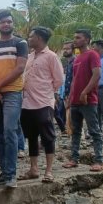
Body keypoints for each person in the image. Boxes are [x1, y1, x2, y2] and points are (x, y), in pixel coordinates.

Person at [0, 10, 28, 189]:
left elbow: (19, 68)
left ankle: (11, 175)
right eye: (3, 22)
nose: (6, 25)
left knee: (10, 131)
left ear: (12, 24)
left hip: (12, 93)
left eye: (9, 22)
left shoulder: (20, 43)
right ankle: (4, 172)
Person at [20, 27, 64, 182]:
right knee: (31, 136)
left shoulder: (51, 56)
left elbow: (59, 79)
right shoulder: (30, 56)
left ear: (38, 38)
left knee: (48, 137)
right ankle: (34, 169)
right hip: (27, 103)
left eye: (31, 36)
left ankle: (49, 171)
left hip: (44, 102)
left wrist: (46, 92)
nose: (28, 39)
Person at [63, 29, 103, 172]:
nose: (75, 40)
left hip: (88, 100)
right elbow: (74, 79)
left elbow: (97, 74)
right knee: (75, 131)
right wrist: (70, 97)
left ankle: (99, 160)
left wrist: (85, 92)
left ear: (87, 40)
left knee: (94, 131)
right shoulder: (77, 58)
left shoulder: (92, 54)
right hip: (75, 101)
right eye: (74, 37)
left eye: (78, 37)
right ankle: (74, 159)